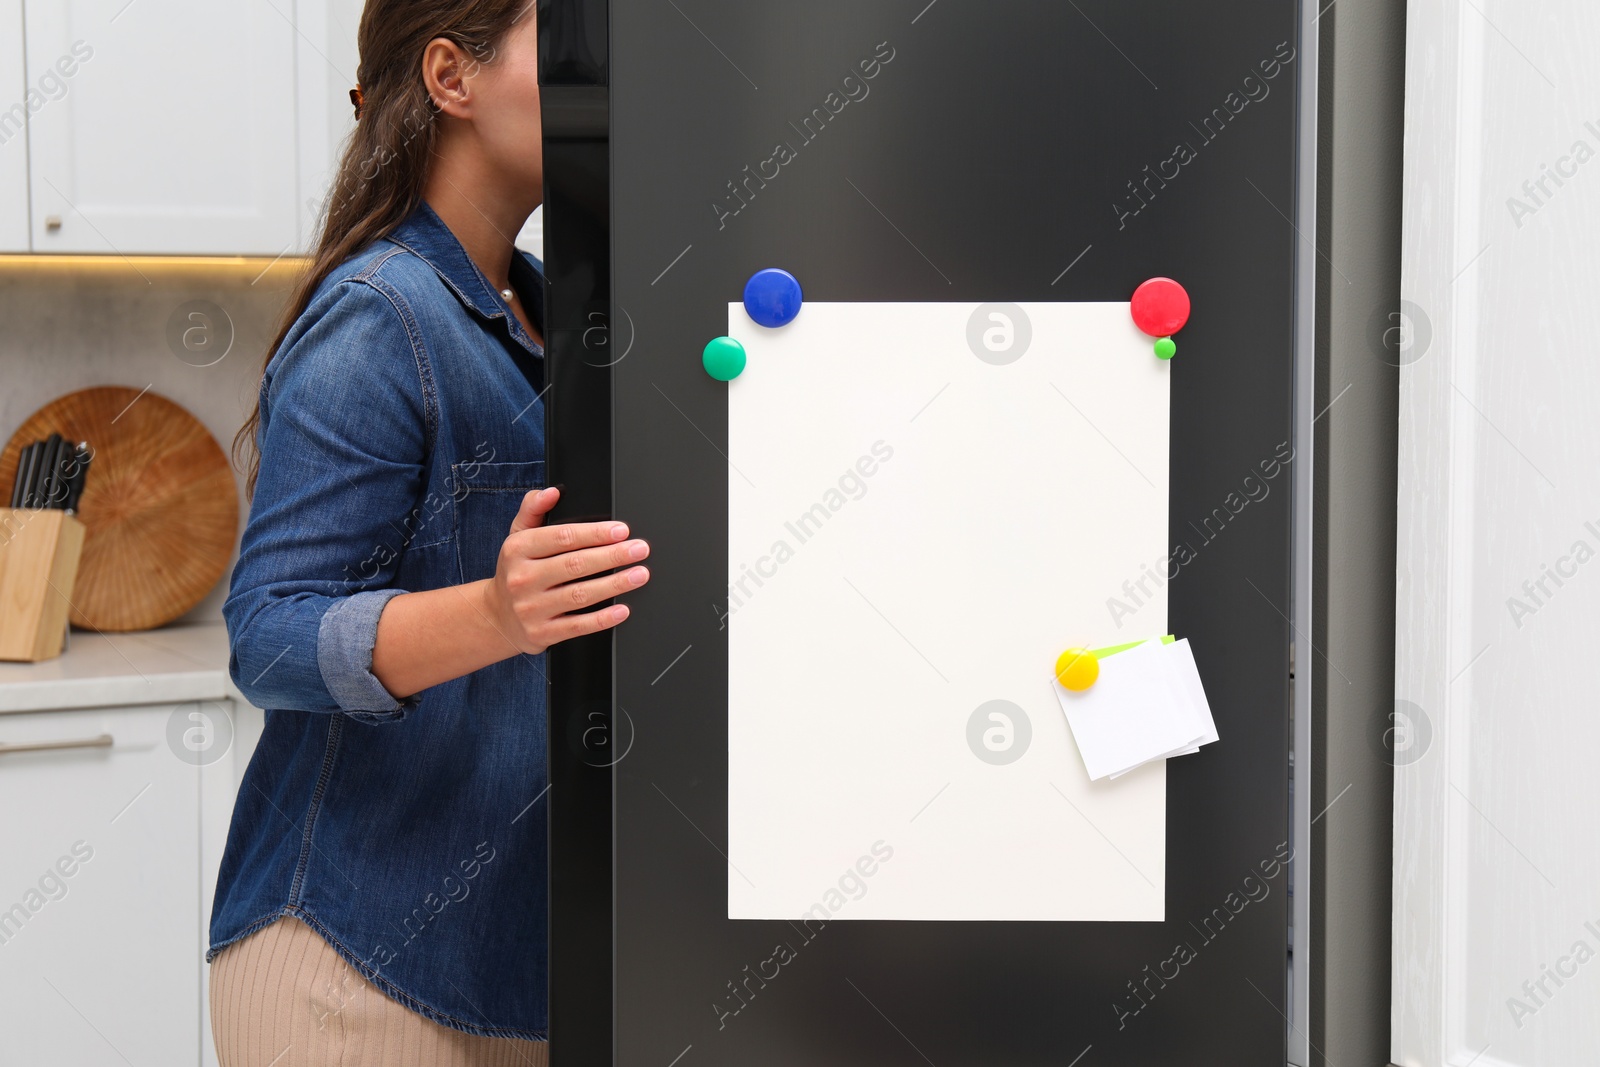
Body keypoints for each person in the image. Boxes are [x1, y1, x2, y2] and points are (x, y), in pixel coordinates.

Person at [208, 3, 646, 1063]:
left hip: (507, 962)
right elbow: (268, 634)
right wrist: (498, 611)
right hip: (353, 966)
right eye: (571, 45)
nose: (607, 80)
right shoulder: (382, 312)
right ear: (452, 75)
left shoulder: (546, 313)